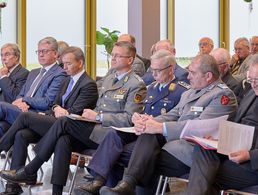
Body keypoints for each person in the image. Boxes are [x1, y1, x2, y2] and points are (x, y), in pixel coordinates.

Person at [0, 41, 146, 195]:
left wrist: (99, 116)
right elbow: (96, 106)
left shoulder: (136, 84)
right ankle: (56, 192)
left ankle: (31, 169)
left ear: (130, 60)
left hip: (110, 133)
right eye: (113, 55)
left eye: (118, 55)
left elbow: (130, 118)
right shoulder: (109, 79)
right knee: (63, 140)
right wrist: (90, 114)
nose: (113, 58)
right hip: (93, 126)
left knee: (61, 120)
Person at [100, 54, 237, 195]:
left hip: (194, 152)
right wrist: (148, 122)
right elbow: (173, 115)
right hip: (171, 145)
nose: (188, 76)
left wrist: (160, 128)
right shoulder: (189, 93)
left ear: (208, 76)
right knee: (137, 142)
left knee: (123, 154)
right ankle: (127, 184)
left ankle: (128, 184)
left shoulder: (222, 96)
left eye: (192, 73)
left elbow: (199, 127)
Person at [74, 49, 189, 194]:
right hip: (141, 130)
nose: (153, 74)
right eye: (151, 70)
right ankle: (98, 181)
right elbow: (139, 111)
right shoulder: (151, 88)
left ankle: (119, 186)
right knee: (113, 134)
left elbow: (177, 118)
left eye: (158, 70)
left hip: (159, 136)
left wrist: (151, 122)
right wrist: (137, 117)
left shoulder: (181, 91)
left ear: (171, 69)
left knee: (115, 152)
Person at [0, 46, 98, 194]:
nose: (64, 67)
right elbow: (54, 104)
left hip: (72, 127)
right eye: (63, 63)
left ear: (80, 62)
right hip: (55, 122)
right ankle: (13, 186)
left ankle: (21, 163)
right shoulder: (67, 80)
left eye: (69, 63)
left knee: (25, 116)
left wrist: (58, 110)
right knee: (22, 134)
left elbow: (75, 113)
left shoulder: (88, 84)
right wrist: (54, 110)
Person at [186, 54, 258, 195]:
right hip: (237, 150)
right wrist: (219, 138)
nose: (254, 84)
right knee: (203, 149)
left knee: (205, 175)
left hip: (253, 163)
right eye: (251, 79)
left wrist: (250, 155)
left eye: (257, 80)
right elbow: (238, 123)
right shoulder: (251, 93)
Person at [0, 37, 67, 136]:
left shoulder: (59, 74)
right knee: (2, 126)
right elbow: (19, 95)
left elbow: (47, 102)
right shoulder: (33, 72)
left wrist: (25, 100)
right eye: (39, 51)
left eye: (44, 51)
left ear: (56, 54)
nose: (40, 54)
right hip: (21, 110)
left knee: (1, 105)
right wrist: (20, 102)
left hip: (36, 115)